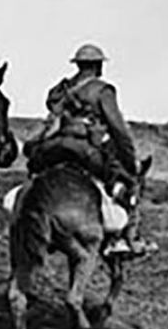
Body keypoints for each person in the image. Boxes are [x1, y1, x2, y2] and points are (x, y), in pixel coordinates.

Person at [25, 43, 154, 256]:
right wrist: (130, 162)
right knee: (124, 181)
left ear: (78, 65)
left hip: (53, 148)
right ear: (98, 66)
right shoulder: (103, 90)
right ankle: (120, 239)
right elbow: (118, 129)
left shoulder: (61, 89)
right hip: (82, 149)